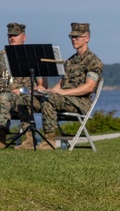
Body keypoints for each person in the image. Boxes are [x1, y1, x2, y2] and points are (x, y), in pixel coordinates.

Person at [21, 22, 103, 151]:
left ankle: (49, 141)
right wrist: (45, 90)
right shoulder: (70, 61)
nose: (74, 40)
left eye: (77, 37)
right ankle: (29, 139)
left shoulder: (93, 61)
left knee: (50, 99)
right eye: (72, 37)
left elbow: (89, 87)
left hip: (81, 102)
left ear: (87, 38)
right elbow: (60, 85)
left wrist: (61, 93)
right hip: (63, 99)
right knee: (26, 100)